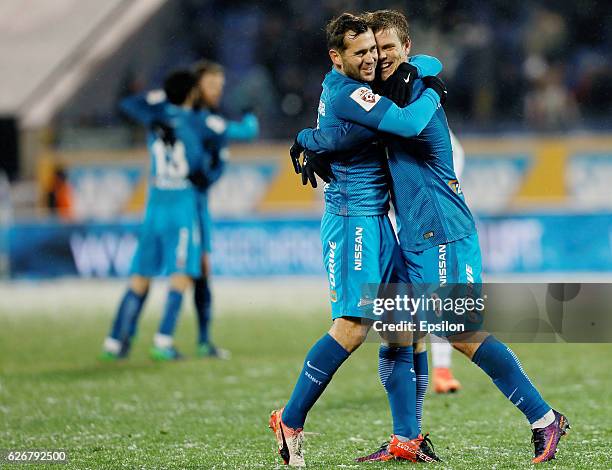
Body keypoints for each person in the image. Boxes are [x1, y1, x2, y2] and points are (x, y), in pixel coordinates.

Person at [295, 9, 570, 464]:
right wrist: (308, 139)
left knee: (460, 332)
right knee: (400, 332)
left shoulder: (417, 91)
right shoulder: (382, 93)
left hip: (443, 230)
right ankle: (407, 440)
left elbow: (412, 105)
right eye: (373, 49)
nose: (380, 57)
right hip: (415, 233)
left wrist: (430, 79)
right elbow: (343, 136)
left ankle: (544, 419)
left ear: (406, 48)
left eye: (388, 48)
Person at [269, 13, 446, 467]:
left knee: (403, 328)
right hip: (353, 222)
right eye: (360, 52)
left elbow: (423, 62)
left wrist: (313, 138)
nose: (371, 59)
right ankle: (290, 420)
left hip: (376, 221)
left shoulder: (358, 89)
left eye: (375, 50)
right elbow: (394, 124)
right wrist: (428, 84)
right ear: (337, 57)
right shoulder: (346, 93)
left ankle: (407, 439)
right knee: (351, 327)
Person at [101, 69, 218, 361]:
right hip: (180, 211)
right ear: (191, 93)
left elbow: (128, 104)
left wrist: (158, 98)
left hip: (153, 210)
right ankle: (163, 340)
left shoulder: (155, 120)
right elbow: (199, 167)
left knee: (140, 278)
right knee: (181, 277)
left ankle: (114, 342)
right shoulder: (192, 124)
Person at [189, 60, 259, 358]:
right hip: (185, 203)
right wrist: (250, 120)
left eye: (220, 86)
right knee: (188, 271)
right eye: (211, 86)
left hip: (197, 203)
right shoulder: (195, 119)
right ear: (196, 87)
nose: (217, 91)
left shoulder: (204, 118)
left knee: (198, 270)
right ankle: (163, 339)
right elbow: (244, 132)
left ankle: (201, 340)